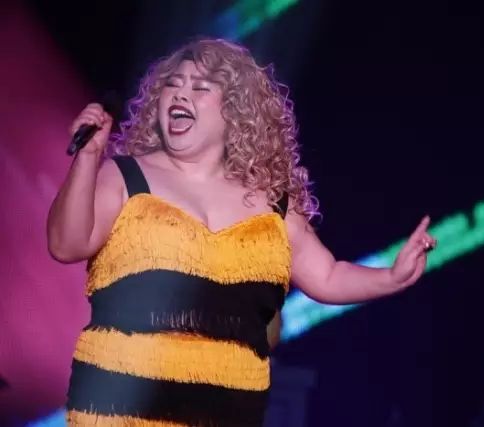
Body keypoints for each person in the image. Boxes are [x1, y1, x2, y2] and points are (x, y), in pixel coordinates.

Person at [47, 37, 436, 427]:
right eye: (173, 84)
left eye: (200, 87)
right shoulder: (126, 175)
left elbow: (328, 276)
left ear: (235, 110)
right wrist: (89, 157)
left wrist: (391, 276)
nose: (180, 94)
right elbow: (66, 244)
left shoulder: (271, 204)